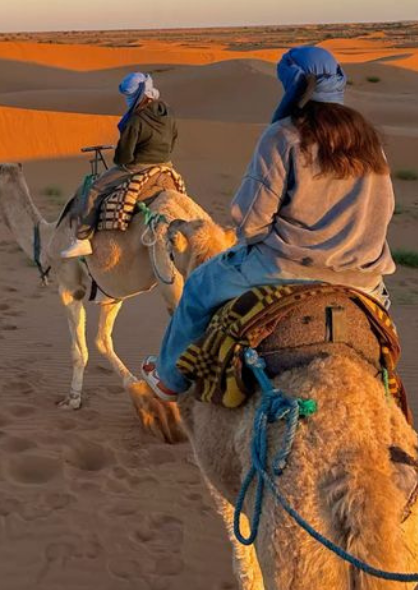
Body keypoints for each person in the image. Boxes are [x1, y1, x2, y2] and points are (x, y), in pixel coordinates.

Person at [141, 46, 395, 401]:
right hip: (364, 277)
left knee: (198, 287)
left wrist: (257, 239)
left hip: (282, 267)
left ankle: (168, 378)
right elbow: (384, 209)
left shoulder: (284, 135)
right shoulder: (370, 141)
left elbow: (248, 218)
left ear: (292, 84)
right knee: (383, 339)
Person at [60, 72, 178, 258]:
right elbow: (173, 138)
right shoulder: (167, 111)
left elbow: (123, 157)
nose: (128, 100)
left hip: (138, 166)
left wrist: (124, 155)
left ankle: (82, 239)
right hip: (166, 164)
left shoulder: (135, 120)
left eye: (129, 96)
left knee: (95, 189)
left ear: (138, 94)